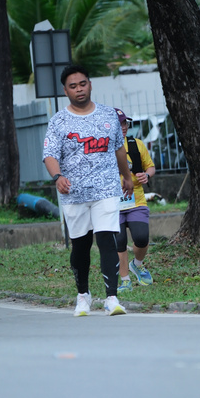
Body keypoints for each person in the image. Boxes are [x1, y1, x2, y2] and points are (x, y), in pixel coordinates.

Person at [43, 64, 134, 317]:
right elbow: (49, 155)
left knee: (107, 240)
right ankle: (83, 295)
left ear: (90, 84)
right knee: (80, 246)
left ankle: (112, 298)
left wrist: (126, 177)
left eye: (82, 84)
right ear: (65, 91)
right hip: (74, 193)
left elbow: (119, 149)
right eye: (73, 86)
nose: (79, 89)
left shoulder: (108, 115)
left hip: (106, 189)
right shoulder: (58, 121)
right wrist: (58, 176)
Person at [113, 107, 156, 294]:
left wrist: (147, 175)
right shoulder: (104, 149)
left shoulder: (136, 144)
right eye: (119, 124)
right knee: (119, 240)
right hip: (113, 202)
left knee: (141, 237)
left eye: (125, 123)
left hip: (136, 199)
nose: (124, 127)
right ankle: (125, 280)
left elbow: (151, 167)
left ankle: (137, 264)